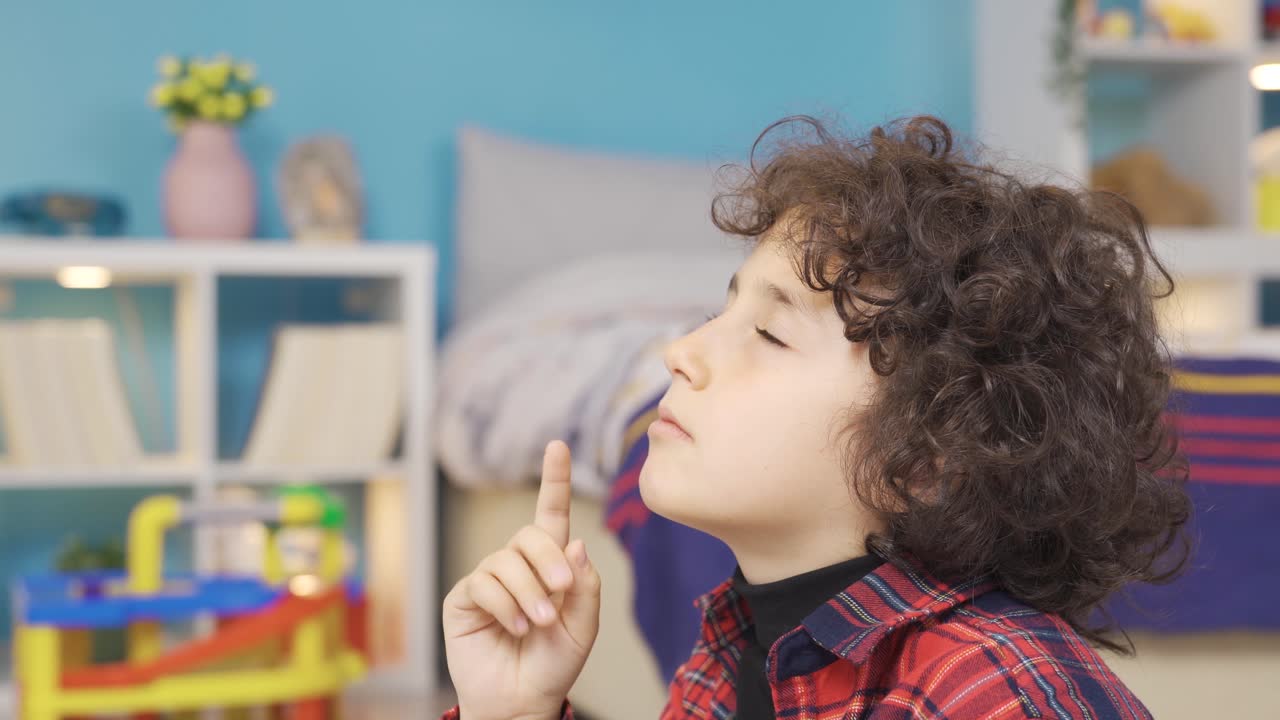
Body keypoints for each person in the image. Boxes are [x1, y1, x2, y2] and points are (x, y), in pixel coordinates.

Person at [440, 115, 1190, 719]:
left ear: (926, 460)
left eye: (770, 334)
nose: (679, 351)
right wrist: (511, 710)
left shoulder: (998, 696)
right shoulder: (734, 649)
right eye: (721, 312)